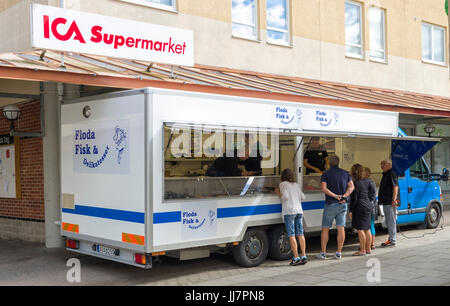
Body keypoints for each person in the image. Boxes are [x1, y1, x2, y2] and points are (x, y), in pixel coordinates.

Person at [318, 155, 355, 260]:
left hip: (330, 204)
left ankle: (323, 253)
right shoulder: (345, 173)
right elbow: (352, 186)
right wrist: (344, 196)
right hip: (342, 204)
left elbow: (324, 188)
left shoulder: (326, 174)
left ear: (329, 163)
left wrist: (335, 196)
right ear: (338, 162)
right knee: (341, 227)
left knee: (325, 228)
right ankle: (338, 252)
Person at [275, 168, 307, 266]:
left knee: (291, 235)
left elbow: (285, 197)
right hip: (299, 211)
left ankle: (296, 257)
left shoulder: (283, 184)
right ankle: (304, 256)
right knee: (300, 234)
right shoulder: (296, 185)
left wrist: (277, 193)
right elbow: (303, 197)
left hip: (289, 211)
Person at [349, 164, 376, 256]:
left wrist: (351, 210)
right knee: (367, 228)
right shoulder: (368, 181)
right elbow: (372, 192)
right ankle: (368, 249)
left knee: (360, 228)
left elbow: (354, 198)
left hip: (359, 205)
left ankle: (362, 250)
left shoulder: (355, 183)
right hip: (368, 204)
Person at [378, 159, 399, 247]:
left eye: (384, 164)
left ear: (389, 164)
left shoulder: (391, 173)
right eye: (381, 164)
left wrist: (394, 199)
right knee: (389, 221)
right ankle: (391, 239)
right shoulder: (386, 174)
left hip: (390, 202)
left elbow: (395, 187)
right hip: (386, 201)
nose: (382, 165)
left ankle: (392, 241)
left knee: (391, 221)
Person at [364, 167, 378, 250]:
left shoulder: (365, 183)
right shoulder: (372, 182)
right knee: (372, 225)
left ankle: (368, 244)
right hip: (373, 206)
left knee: (366, 226)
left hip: (367, 206)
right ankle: (372, 244)